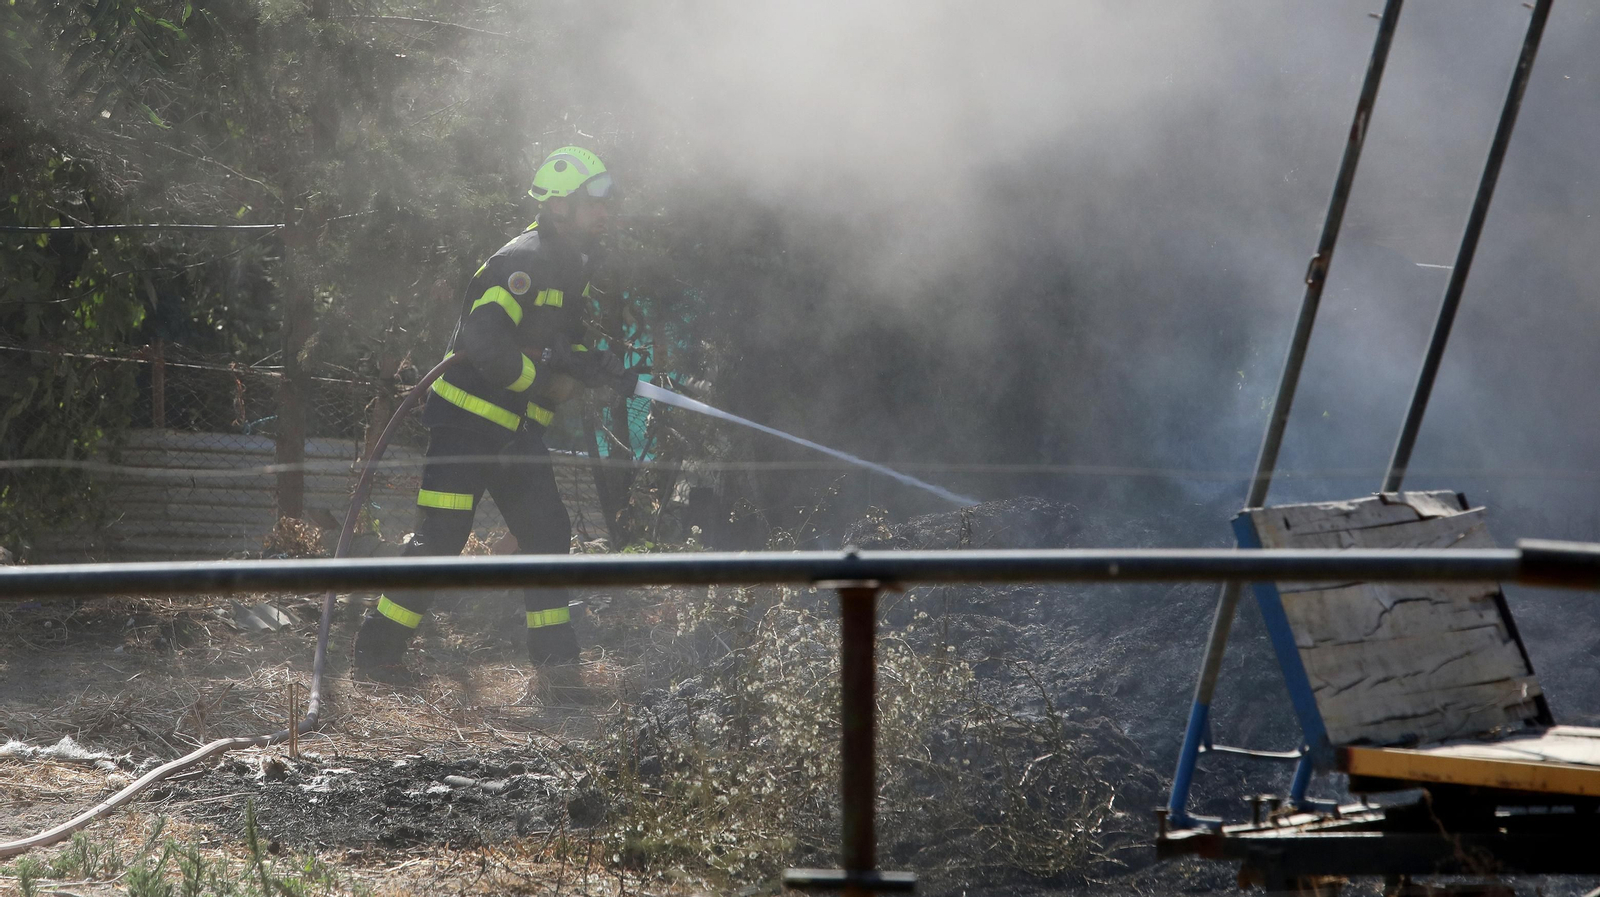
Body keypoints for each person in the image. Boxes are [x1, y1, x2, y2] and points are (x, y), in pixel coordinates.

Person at [352, 145, 636, 683]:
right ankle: (376, 656)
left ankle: (557, 668)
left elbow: (555, 346)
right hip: (465, 429)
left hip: (514, 435)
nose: (605, 212)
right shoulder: (522, 262)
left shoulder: (570, 267)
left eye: (607, 201)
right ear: (560, 206)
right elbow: (484, 343)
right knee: (441, 539)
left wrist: (593, 367)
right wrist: (545, 381)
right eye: (594, 201)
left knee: (547, 533)